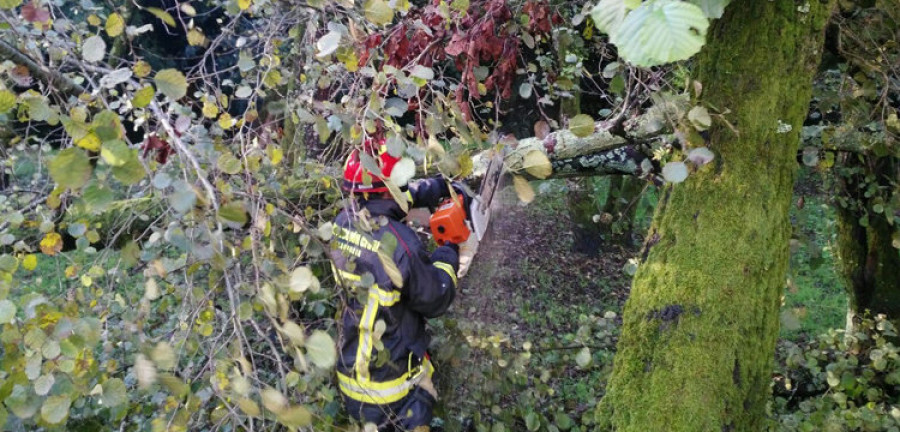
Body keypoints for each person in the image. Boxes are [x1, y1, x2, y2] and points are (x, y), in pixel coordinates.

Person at [330, 139, 466, 431]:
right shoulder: (400, 246)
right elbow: (436, 297)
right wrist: (447, 250)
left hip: (352, 370)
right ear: (393, 188)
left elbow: (392, 197)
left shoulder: (342, 223)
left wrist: (439, 187)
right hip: (391, 390)